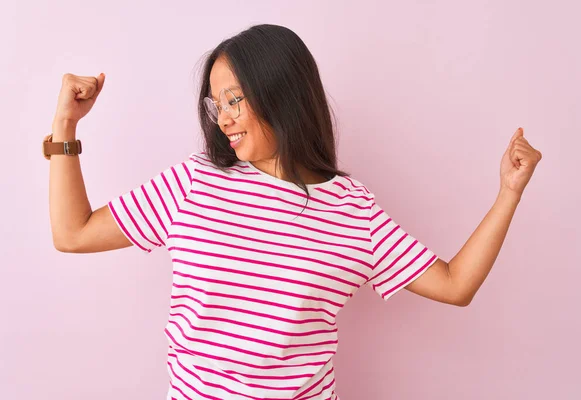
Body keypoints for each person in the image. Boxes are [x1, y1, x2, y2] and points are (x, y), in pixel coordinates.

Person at [46, 24, 542, 400]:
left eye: (235, 99)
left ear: (281, 94)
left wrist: (509, 192)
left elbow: (455, 284)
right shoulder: (195, 181)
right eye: (216, 103)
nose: (223, 118)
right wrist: (66, 123)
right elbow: (73, 233)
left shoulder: (352, 209)